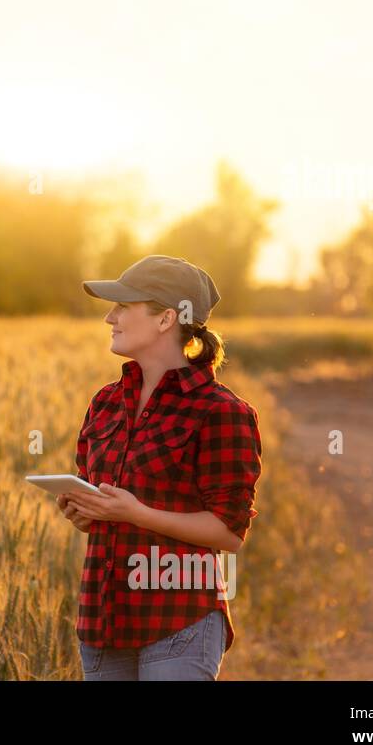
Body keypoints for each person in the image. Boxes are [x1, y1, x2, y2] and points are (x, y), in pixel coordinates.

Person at [60, 254, 262, 680]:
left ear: (166, 318)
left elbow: (229, 533)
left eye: (123, 307)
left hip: (178, 618)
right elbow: (102, 503)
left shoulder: (220, 411)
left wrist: (134, 513)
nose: (109, 318)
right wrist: (84, 512)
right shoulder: (106, 402)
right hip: (103, 618)